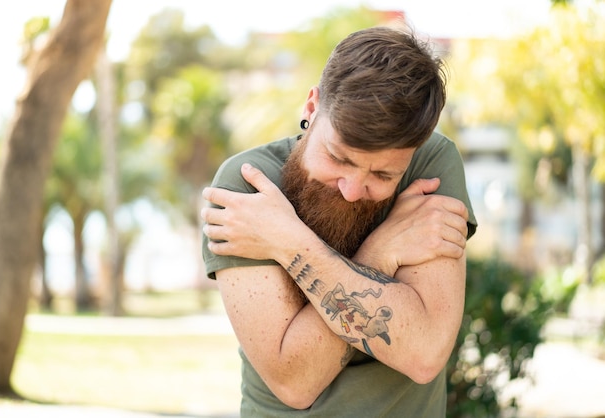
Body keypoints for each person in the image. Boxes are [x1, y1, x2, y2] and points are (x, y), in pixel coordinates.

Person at [200, 25, 477, 417]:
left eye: (382, 176)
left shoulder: (431, 165)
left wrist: (287, 241)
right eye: (338, 159)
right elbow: (295, 381)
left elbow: (424, 353)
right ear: (311, 108)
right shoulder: (247, 187)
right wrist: (381, 254)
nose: (351, 189)